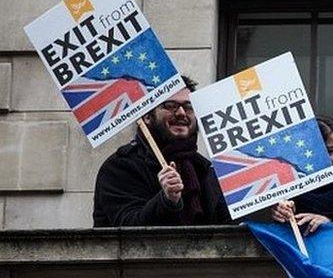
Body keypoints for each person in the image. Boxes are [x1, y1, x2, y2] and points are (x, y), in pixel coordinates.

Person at [92, 76, 231, 227]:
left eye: (189, 106)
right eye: (170, 105)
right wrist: (166, 200)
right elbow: (127, 233)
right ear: (146, 116)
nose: (181, 113)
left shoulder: (206, 170)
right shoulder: (120, 167)